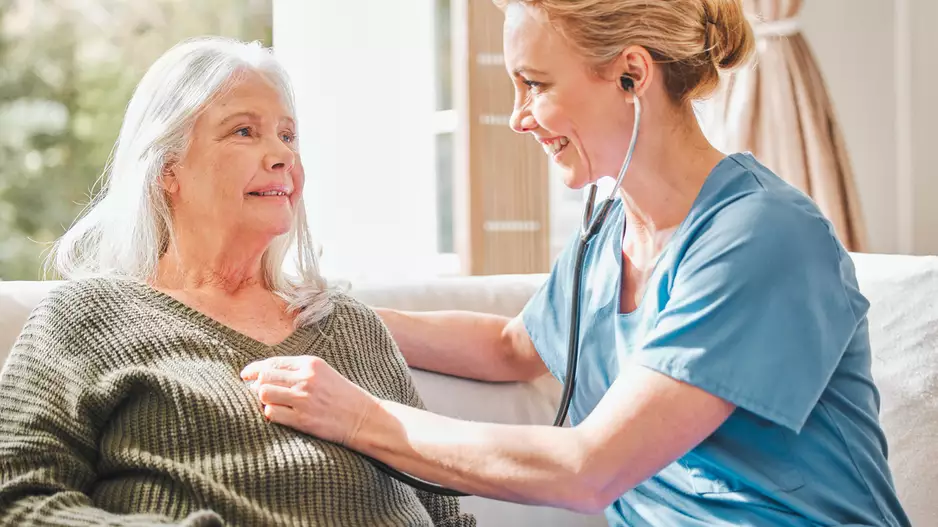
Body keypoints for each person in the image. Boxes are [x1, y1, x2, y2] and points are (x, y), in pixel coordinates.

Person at [240, 1, 912, 526]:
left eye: (533, 84)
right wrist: (330, 309)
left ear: (631, 75)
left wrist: (361, 417)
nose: (518, 118)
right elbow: (511, 347)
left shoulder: (762, 237)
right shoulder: (610, 237)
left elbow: (592, 468)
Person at [0, 36, 475, 527]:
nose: (281, 156)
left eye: (288, 136)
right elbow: (16, 500)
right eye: (244, 131)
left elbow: (449, 516)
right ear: (168, 170)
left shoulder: (354, 328)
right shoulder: (85, 319)